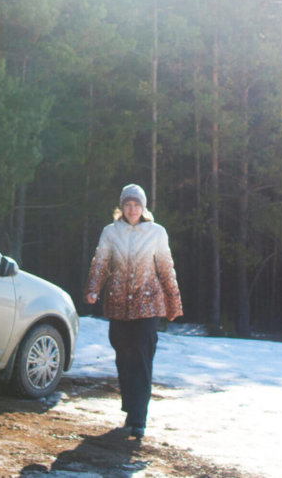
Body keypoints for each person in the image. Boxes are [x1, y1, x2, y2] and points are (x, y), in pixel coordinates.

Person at [83, 183, 183, 439]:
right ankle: (131, 406)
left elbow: (166, 268)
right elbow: (101, 262)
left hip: (148, 305)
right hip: (118, 305)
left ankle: (139, 418)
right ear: (121, 207)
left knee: (141, 357)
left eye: (136, 205)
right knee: (123, 355)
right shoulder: (110, 232)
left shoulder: (157, 233)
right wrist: (93, 288)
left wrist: (173, 301)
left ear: (143, 207)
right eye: (128, 205)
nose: (132, 209)